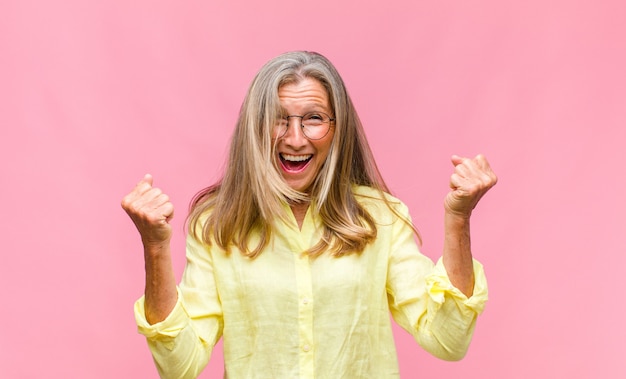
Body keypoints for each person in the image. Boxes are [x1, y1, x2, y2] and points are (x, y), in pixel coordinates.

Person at [121, 51, 497, 378]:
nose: (295, 138)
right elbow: (179, 366)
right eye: (278, 119)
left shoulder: (380, 216)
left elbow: (448, 341)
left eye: (313, 118)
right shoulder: (216, 226)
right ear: (254, 129)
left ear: (337, 129)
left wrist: (458, 219)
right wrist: (155, 248)